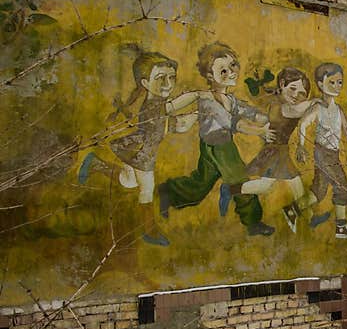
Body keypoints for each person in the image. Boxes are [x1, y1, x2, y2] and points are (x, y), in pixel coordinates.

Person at [77, 45, 199, 246]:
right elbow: (176, 116)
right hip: (142, 152)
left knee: (129, 181)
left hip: (140, 149)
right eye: (161, 79)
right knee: (146, 188)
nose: (168, 84)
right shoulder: (155, 106)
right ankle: (149, 231)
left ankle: (95, 164)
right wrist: (198, 101)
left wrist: (195, 111)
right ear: (146, 82)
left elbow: (173, 120)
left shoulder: (158, 104)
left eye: (172, 77)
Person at [156, 42, 276, 236]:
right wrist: (260, 131)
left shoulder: (230, 100)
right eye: (223, 71)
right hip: (221, 148)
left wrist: (270, 118)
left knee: (201, 184)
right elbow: (232, 122)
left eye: (233, 65)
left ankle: (169, 192)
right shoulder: (209, 101)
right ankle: (253, 222)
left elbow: (250, 112)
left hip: (210, 147)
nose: (231, 72)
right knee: (240, 182)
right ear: (210, 76)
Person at [220, 67, 321, 233]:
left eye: (301, 93)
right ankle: (230, 189)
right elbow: (297, 110)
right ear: (282, 84)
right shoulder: (282, 106)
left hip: (279, 151)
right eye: (292, 89)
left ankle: (305, 218)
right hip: (275, 152)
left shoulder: (282, 103)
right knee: (275, 186)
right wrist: (318, 101)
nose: (296, 95)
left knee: (286, 186)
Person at [297, 62, 347, 239]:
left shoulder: (339, 110)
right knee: (344, 187)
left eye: (339, 82)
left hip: (333, 153)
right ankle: (341, 228)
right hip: (323, 152)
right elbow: (302, 124)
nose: (336, 86)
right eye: (332, 82)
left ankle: (292, 209)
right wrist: (301, 145)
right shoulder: (318, 108)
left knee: (319, 191)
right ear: (320, 84)